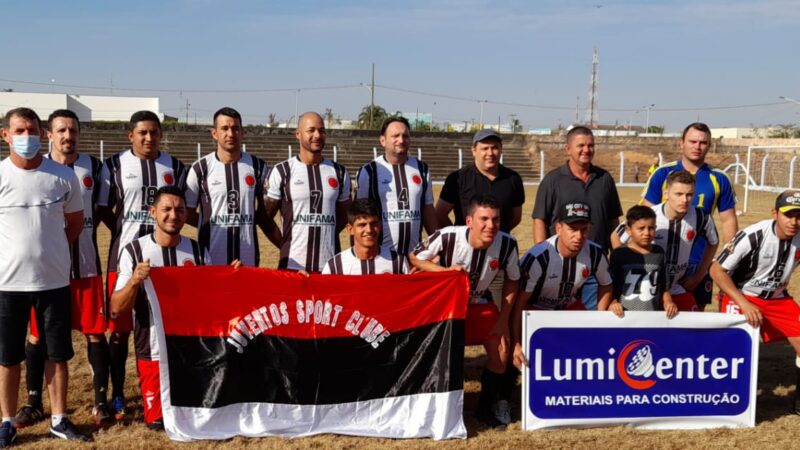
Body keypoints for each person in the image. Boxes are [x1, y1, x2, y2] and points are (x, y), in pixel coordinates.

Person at [16, 110, 113, 430]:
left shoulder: (95, 168)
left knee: (95, 332)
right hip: (44, 270)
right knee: (36, 334)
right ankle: (33, 403)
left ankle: (101, 402)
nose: (67, 136)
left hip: (86, 265)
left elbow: (98, 213)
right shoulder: (38, 169)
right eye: (61, 130)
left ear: (79, 134)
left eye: (73, 130)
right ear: (49, 134)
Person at [0, 108, 90, 445]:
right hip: (8, 284)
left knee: (58, 354)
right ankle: (7, 421)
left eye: (33, 130)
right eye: (20, 130)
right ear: (5, 135)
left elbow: (75, 223)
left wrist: (50, 251)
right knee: (8, 357)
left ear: (43, 134)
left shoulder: (63, 176)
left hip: (53, 282)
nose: (27, 137)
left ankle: (58, 418)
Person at [109, 186, 232, 431]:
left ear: (187, 214)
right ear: (153, 212)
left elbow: (210, 301)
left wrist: (231, 278)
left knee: (199, 416)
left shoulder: (197, 251)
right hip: (153, 350)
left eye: (179, 210)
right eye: (166, 209)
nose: (173, 215)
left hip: (192, 351)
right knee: (157, 423)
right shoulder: (134, 251)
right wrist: (134, 281)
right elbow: (116, 307)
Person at [96, 110, 187, 421]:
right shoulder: (114, 166)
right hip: (124, 257)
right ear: (130, 136)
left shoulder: (174, 166)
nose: (149, 138)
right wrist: (124, 232)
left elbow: (179, 206)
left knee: (164, 324)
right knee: (120, 330)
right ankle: (118, 392)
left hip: (165, 261)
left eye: (154, 133)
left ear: (161, 135)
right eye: (143, 133)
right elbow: (104, 210)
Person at [410, 195, 520, 429]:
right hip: (446, 306)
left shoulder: (507, 243)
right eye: (484, 219)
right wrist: (443, 271)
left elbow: (512, 281)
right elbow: (414, 257)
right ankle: (440, 406)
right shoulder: (448, 235)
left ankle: (485, 409)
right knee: (442, 357)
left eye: (495, 219)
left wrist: (503, 320)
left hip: (479, 302)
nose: (491, 225)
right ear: (470, 221)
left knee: (501, 350)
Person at [710, 190, 800, 413]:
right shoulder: (753, 235)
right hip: (744, 294)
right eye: (789, 215)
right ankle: (724, 396)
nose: (794, 221)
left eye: (799, 216)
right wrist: (743, 303)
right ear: (775, 214)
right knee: (733, 348)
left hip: (778, 299)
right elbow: (717, 270)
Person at [641, 122, 737, 310]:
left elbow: (729, 221)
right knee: (654, 316)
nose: (697, 146)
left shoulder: (719, 178)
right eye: (692, 141)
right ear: (681, 143)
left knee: (695, 318)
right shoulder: (662, 174)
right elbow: (644, 218)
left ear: (709, 145)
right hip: (661, 262)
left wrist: (727, 263)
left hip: (698, 263)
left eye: (703, 142)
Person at [532, 126, 623, 310]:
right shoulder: (553, 180)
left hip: (595, 266)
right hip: (561, 266)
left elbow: (613, 221)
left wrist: (618, 254)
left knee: (592, 322)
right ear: (568, 149)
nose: (586, 150)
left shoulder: (604, 179)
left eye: (590, 145)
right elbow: (540, 219)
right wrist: (545, 258)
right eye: (580, 145)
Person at [513, 201, 612, 361]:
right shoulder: (539, 257)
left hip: (568, 307)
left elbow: (606, 284)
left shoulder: (595, 253)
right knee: (540, 357)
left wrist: (599, 317)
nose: (579, 236)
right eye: (572, 229)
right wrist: (516, 342)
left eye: (584, 230)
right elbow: (518, 303)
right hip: (534, 310)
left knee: (592, 346)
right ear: (558, 228)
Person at [613, 170, 719, 311]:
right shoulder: (650, 215)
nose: (685, 200)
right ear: (666, 194)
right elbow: (616, 236)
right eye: (679, 194)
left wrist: (697, 277)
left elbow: (714, 242)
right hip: (648, 288)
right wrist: (624, 265)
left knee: (691, 328)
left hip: (678, 287)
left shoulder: (701, 217)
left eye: (689, 195)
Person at [186, 107, 277, 266]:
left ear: (242, 132)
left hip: (247, 260)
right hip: (210, 260)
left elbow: (264, 214)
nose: (230, 133)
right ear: (214, 133)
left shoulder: (258, 167)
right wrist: (213, 224)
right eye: (225, 128)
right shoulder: (199, 169)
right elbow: (187, 212)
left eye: (235, 128)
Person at [264, 112, 351, 272]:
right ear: (298, 134)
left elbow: (344, 216)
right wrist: (284, 243)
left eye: (322, 130)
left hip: (329, 267)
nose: (317, 135)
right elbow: (265, 217)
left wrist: (326, 232)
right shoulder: (282, 171)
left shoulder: (339, 172)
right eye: (311, 130)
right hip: (292, 266)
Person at [355, 117, 437, 255]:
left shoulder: (422, 169)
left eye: (405, 136)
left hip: (414, 257)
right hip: (381, 258)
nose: (401, 140)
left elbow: (428, 210)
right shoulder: (369, 171)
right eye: (395, 136)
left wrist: (437, 247)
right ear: (382, 140)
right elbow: (359, 217)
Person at [435, 129, 524, 233]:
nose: (490, 153)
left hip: (499, 246)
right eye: (485, 148)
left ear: (501, 149)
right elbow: (440, 213)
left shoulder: (513, 179)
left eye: (494, 148)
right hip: (467, 247)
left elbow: (516, 217)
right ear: (474, 151)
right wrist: (459, 236)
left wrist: (496, 235)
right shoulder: (457, 179)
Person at [603, 205, 677, 318]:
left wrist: (668, 302)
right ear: (628, 230)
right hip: (623, 317)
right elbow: (609, 286)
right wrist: (612, 303)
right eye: (641, 228)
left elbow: (664, 287)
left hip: (652, 318)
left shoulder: (659, 253)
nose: (647, 233)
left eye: (651, 228)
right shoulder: (618, 254)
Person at [322, 199, 408, 275]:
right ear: (350, 229)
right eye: (362, 225)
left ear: (380, 225)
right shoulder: (334, 267)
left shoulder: (398, 263)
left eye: (373, 224)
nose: (369, 230)